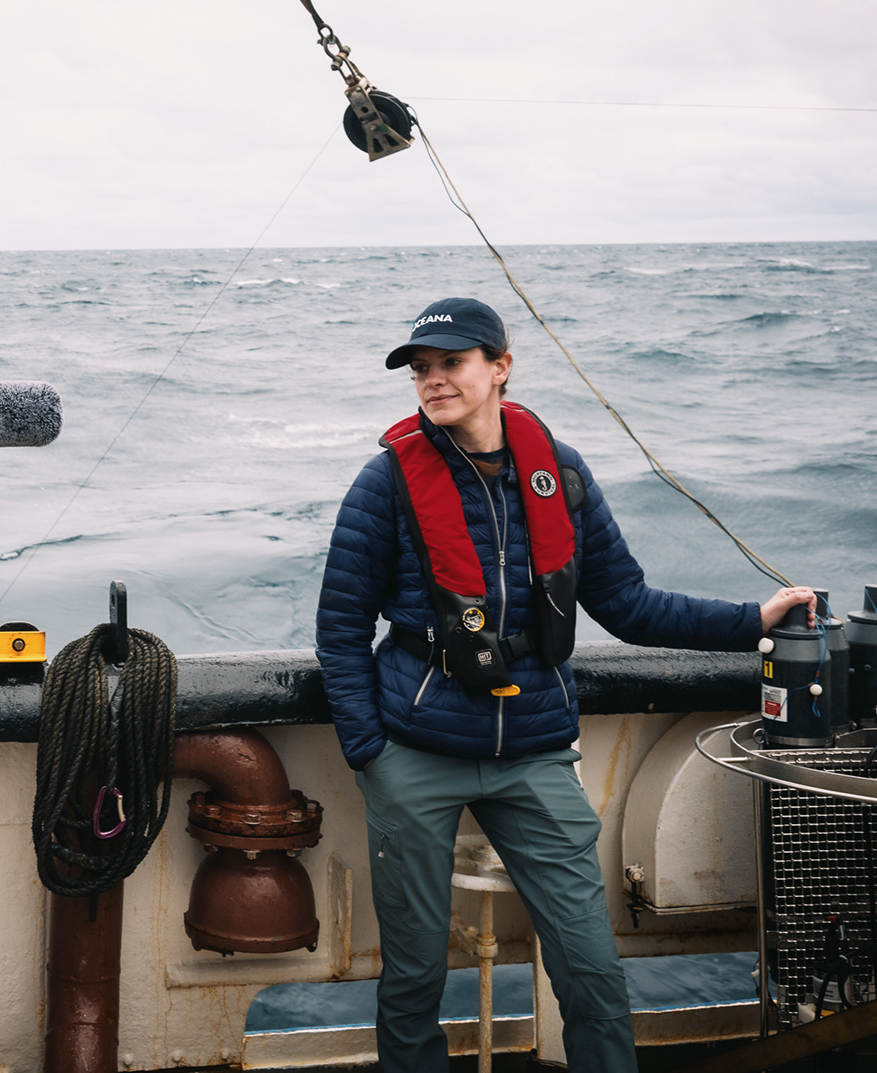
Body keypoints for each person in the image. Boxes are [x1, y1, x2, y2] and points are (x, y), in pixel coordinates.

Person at [315, 296, 815, 1073]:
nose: (433, 380)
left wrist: (752, 618)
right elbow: (340, 630)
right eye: (421, 369)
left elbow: (627, 604)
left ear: (500, 368)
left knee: (589, 962)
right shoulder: (386, 484)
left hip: (536, 747)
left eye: (451, 363)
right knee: (413, 973)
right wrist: (368, 751)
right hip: (415, 749)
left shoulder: (563, 474)